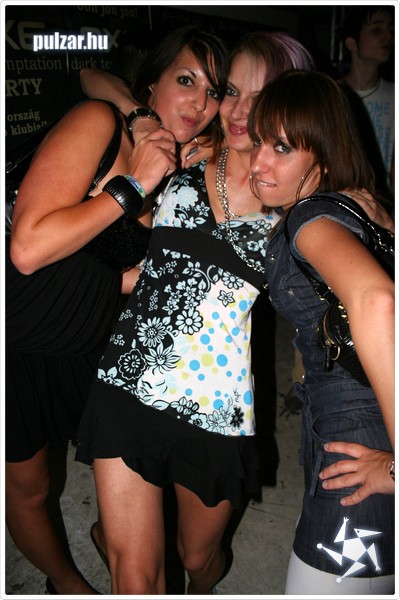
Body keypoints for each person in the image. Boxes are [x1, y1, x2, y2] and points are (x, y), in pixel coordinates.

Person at [74, 31, 318, 595]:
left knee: (200, 559)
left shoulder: (296, 198)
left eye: (262, 97)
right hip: (131, 381)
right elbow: (89, 78)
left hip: (216, 408)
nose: (239, 111)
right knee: (137, 578)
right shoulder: (179, 153)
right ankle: (122, 541)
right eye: (231, 91)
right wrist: (140, 119)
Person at [6, 25, 229, 596]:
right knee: (30, 489)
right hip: (19, 334)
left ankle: (113, 536)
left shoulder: (185, 168)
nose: (198, 103)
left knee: (137, 467)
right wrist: (135, 182)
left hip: (91, 339)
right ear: (151, 85)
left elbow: (133, 271)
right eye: (185, 80)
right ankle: (66, 582)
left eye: (212, 91)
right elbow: (27, 248)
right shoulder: (100, 124)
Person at [248, 69, 395, 594]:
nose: (258, 162)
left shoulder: (311, 218)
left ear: (325, 157)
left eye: (282, 148)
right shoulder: (360, 208)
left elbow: (379, 301)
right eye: (259, 140)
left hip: (359, 448)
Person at [340, 5, 395, 202]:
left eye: (391, 29)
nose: (388, 36)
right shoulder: (331, 95)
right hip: (342, 202)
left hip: (385, 204)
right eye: (377, 30)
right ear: (351, 43)